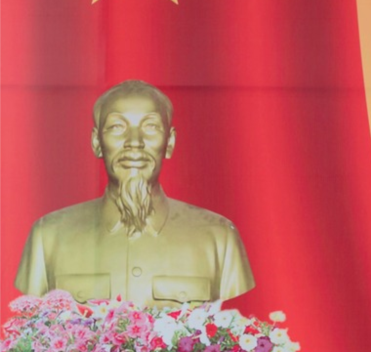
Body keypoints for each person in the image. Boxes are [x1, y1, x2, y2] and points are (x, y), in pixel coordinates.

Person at [15, 80, 254, 306]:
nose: (134, 142)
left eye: (151, 127)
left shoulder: (218, 238)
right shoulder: (48, 237)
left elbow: (236, 327)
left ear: (169, 142)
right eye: (117, 127)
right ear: (97, 142)